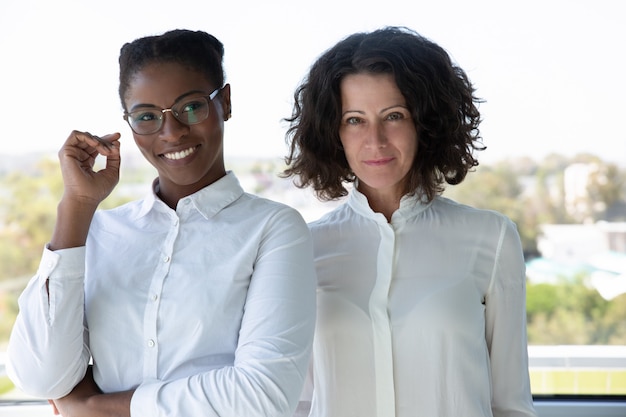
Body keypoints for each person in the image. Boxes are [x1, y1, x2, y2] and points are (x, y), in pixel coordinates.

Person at [7, 29, 316, 417]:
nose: (171, 133)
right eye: (147, 116)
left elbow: (261, 397)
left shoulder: (275, 229)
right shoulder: (100, 233)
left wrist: (95, 407)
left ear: (226, 102)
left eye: (192, 107)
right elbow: (40, 376)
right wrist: (77, 205)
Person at [283, 26, 537, 417]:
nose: (376, 140)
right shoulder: (304, 248)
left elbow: (510, 404)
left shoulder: (492, 238)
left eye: (394, 116)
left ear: (426, 122)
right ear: (333, 131)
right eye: (355, 119)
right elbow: (300, 402)